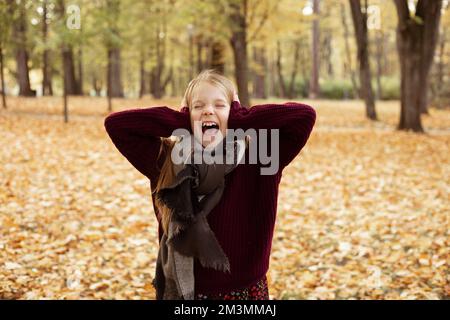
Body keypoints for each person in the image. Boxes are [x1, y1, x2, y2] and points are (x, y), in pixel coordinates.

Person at [104, 69, 316, 300]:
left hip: (245, 292)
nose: (208, 110)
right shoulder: (168, 159)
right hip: (188, 294)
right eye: (198, 106)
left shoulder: (262, 156)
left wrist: (238, 119)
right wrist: (184, 122)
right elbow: (117, 125)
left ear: (235, 112)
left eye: (220, 105)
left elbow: (304, 116)